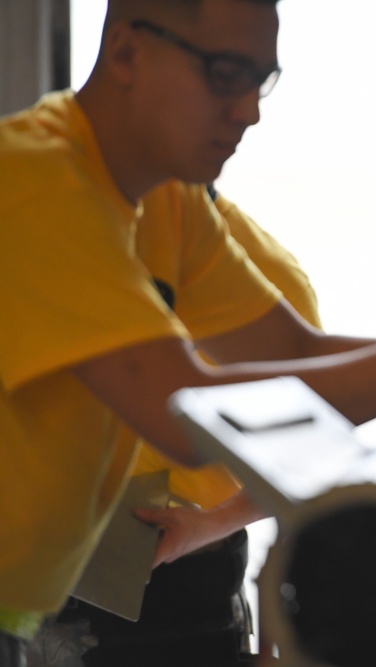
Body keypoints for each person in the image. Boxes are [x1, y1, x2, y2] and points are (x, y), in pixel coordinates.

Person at [0, 1, 376, 665]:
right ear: (126, 51)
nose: (249, 111)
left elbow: (291, 351)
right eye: (223, 73)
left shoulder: (168, 198)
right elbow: (184, 411)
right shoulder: (40, 184)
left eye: (260, 80)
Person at [25, 184, 321, 667]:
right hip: (37, 565)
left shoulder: (265, 275)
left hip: (174, 578)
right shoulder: (59, 225)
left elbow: (304, 457)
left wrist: (213, 523)